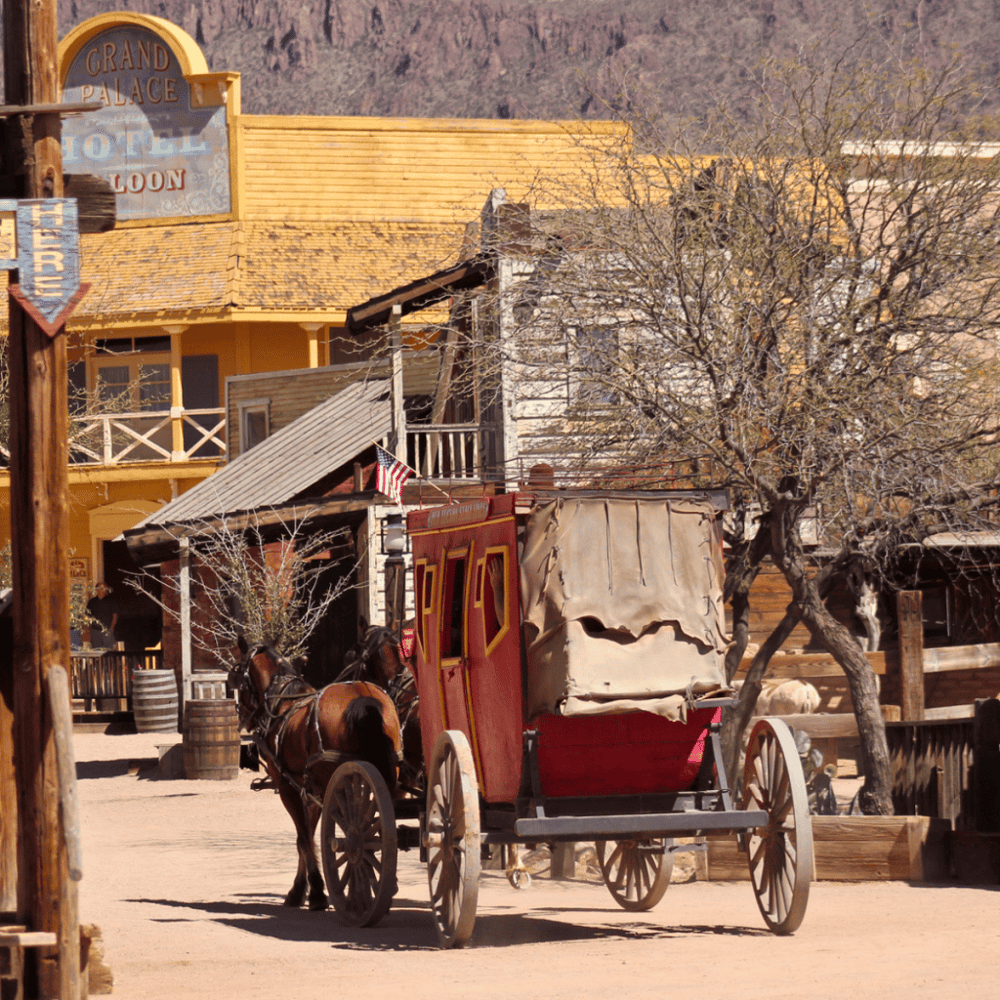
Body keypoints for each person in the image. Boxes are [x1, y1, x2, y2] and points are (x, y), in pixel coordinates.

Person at [86, 582, 119, 650]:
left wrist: (111, 628)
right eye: (100, 588)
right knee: (96, 652)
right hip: (95, 631)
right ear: (96, 589)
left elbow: (115, 615)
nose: (102, 590)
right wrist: (90, 629)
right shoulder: (91, 602)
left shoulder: (111, 601)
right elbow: (87, 616)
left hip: (107, 630)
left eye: (104, 588)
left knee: (109, 652)